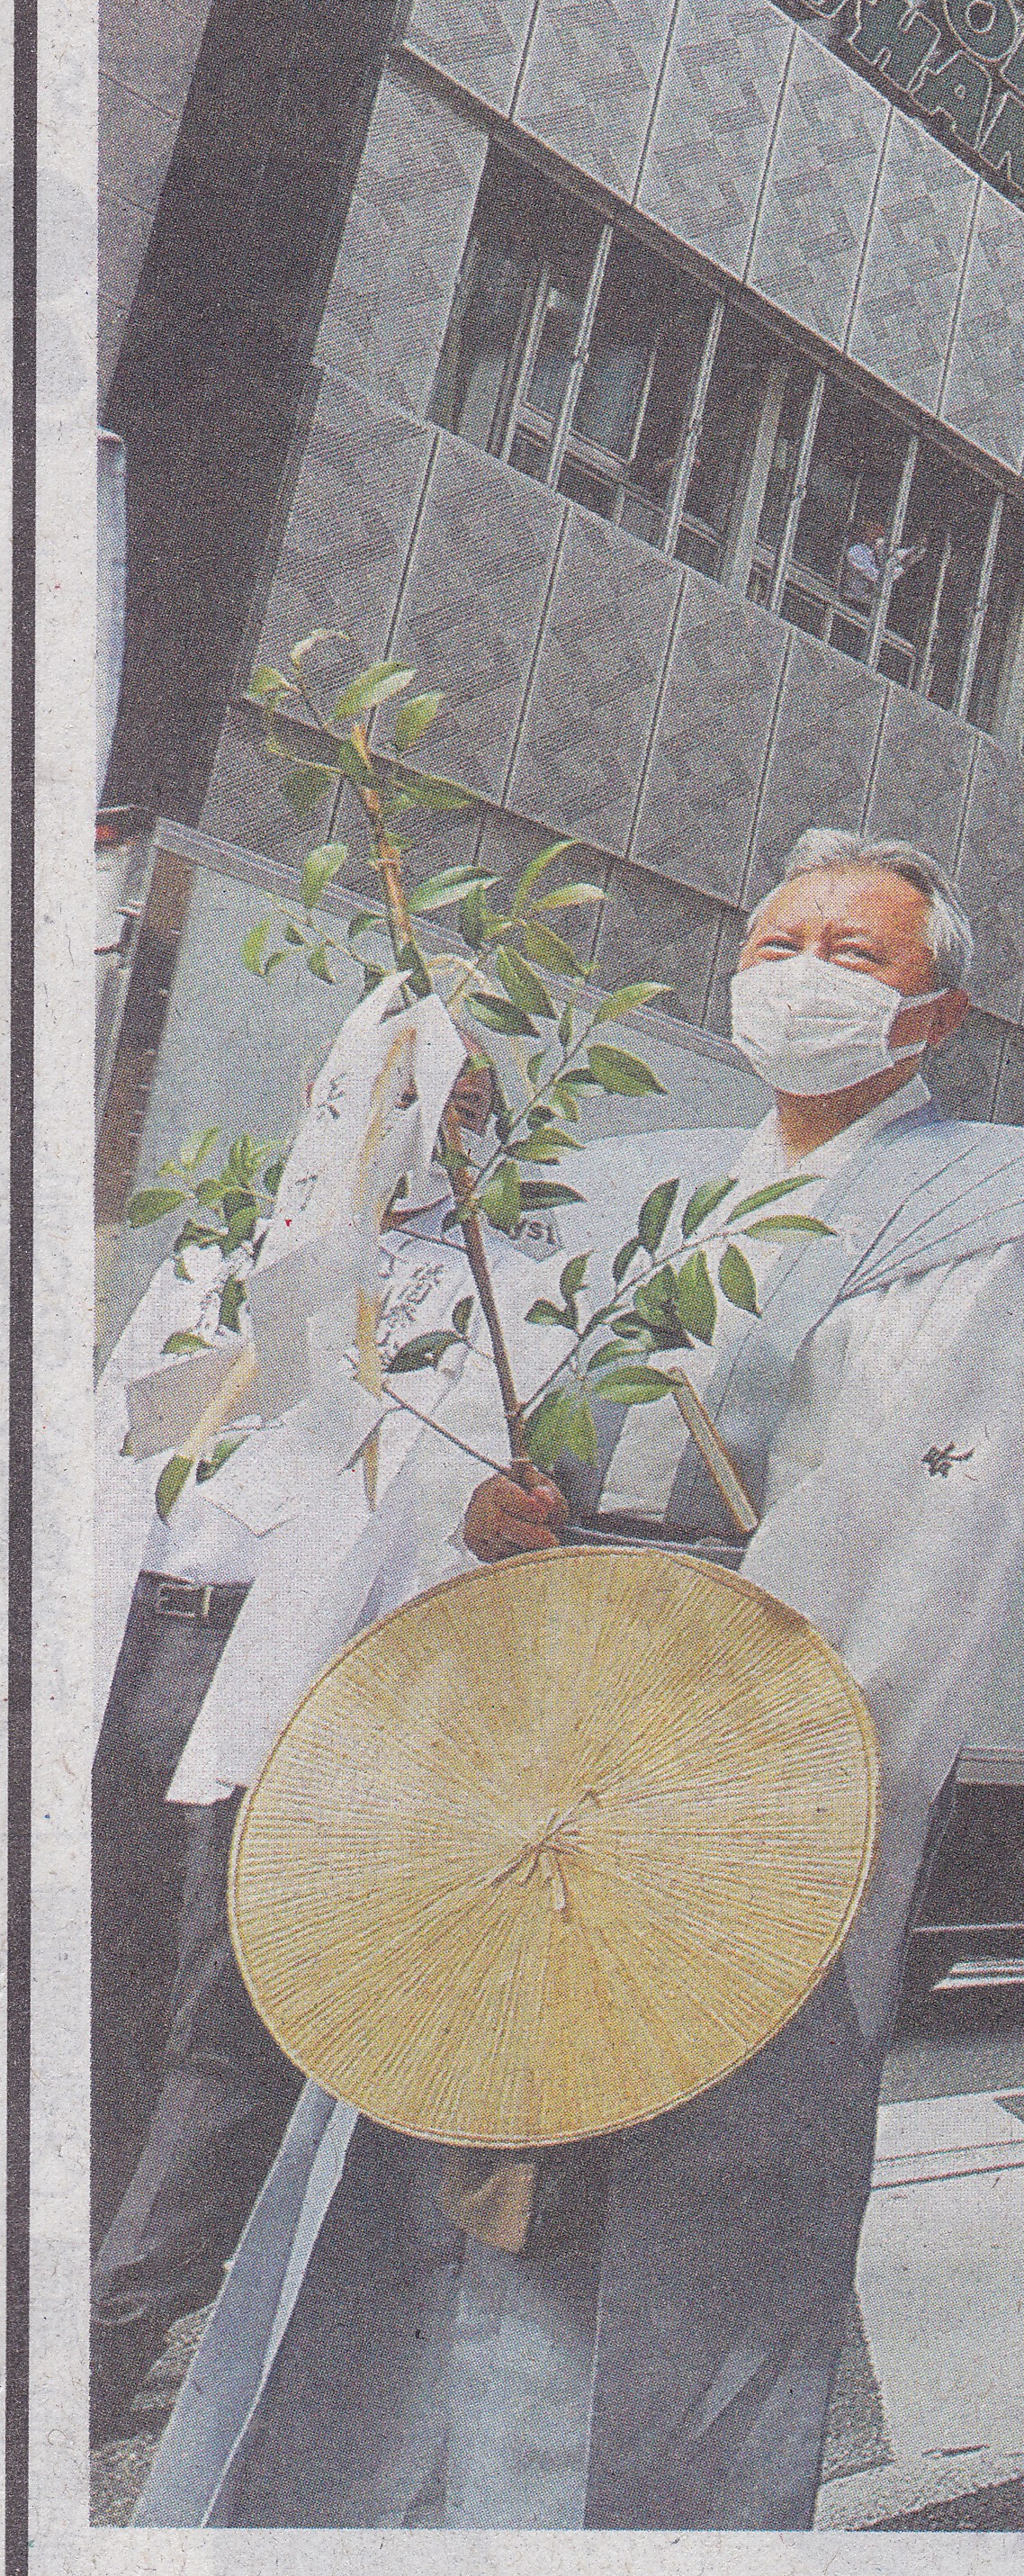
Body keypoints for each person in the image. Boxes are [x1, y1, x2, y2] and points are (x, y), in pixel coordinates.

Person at [154, 832, 1024, 2529]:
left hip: (732, 1758)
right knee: (414, 2129)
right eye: (778, 937)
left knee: (673, 2185)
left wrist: (724, 1776)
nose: (802, 972)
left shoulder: (963, 1220)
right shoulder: (625, 1189)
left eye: (853, 950)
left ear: (935, 1011)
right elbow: (447, 1423)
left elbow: (899, 1553)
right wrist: (468, 1495)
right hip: (513, 1705)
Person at [88, 982, 542, 2430]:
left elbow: (461, 1501)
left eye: (441, 1103)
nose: (398, 1128)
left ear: (480, 1131)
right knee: (96, 1984)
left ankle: (113, 2326)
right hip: (142, 1641)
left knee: (229, 2013)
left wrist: (454, 1483)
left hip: (309, 1671)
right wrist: (270, 1359)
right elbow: (131, 1428)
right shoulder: (227, 1252)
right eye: (363, 1094)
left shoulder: (507, 1291)